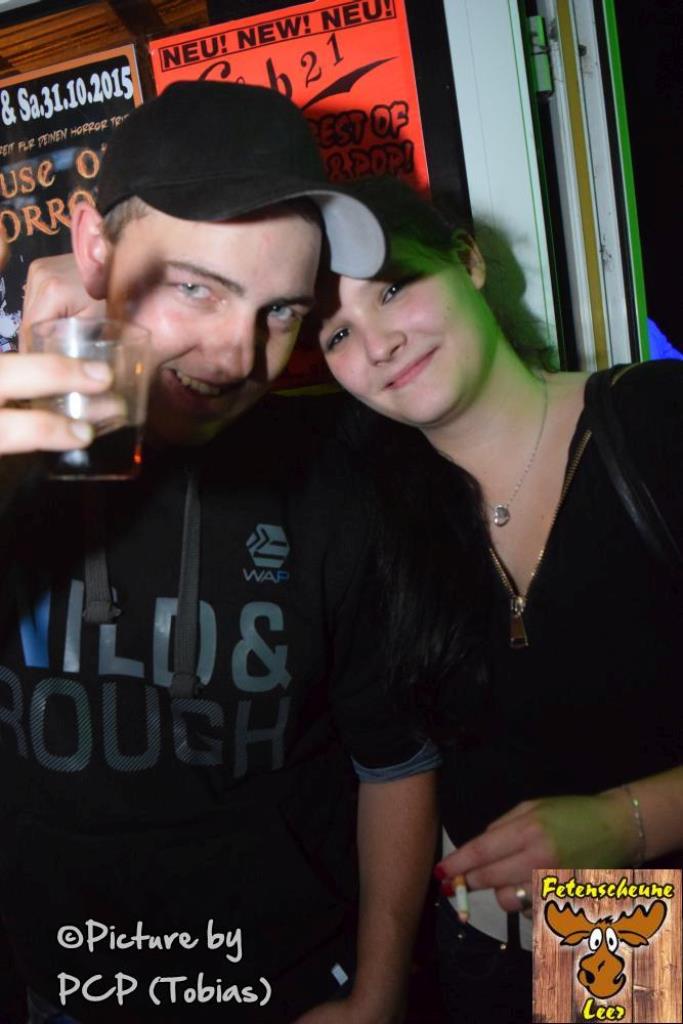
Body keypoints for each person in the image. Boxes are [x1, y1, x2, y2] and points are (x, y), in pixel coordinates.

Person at [0, 87, 439, 1024]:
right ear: (92, 247)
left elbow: (392, 760)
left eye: (280, 311)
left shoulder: (333, 483)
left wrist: (378, 994)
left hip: (282, 990)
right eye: (198, 288)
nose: (241, 357)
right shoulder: (12, 455)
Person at [311, 175, 683, 1023]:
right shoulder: (377, 522)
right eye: (336, 332)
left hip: (626, 934)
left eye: (393, 289)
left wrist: (625, 822)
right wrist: (376, 990)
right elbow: (396, 767)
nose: (377, 343)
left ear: (468, 261)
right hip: (482, 955)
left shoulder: (654, 425)